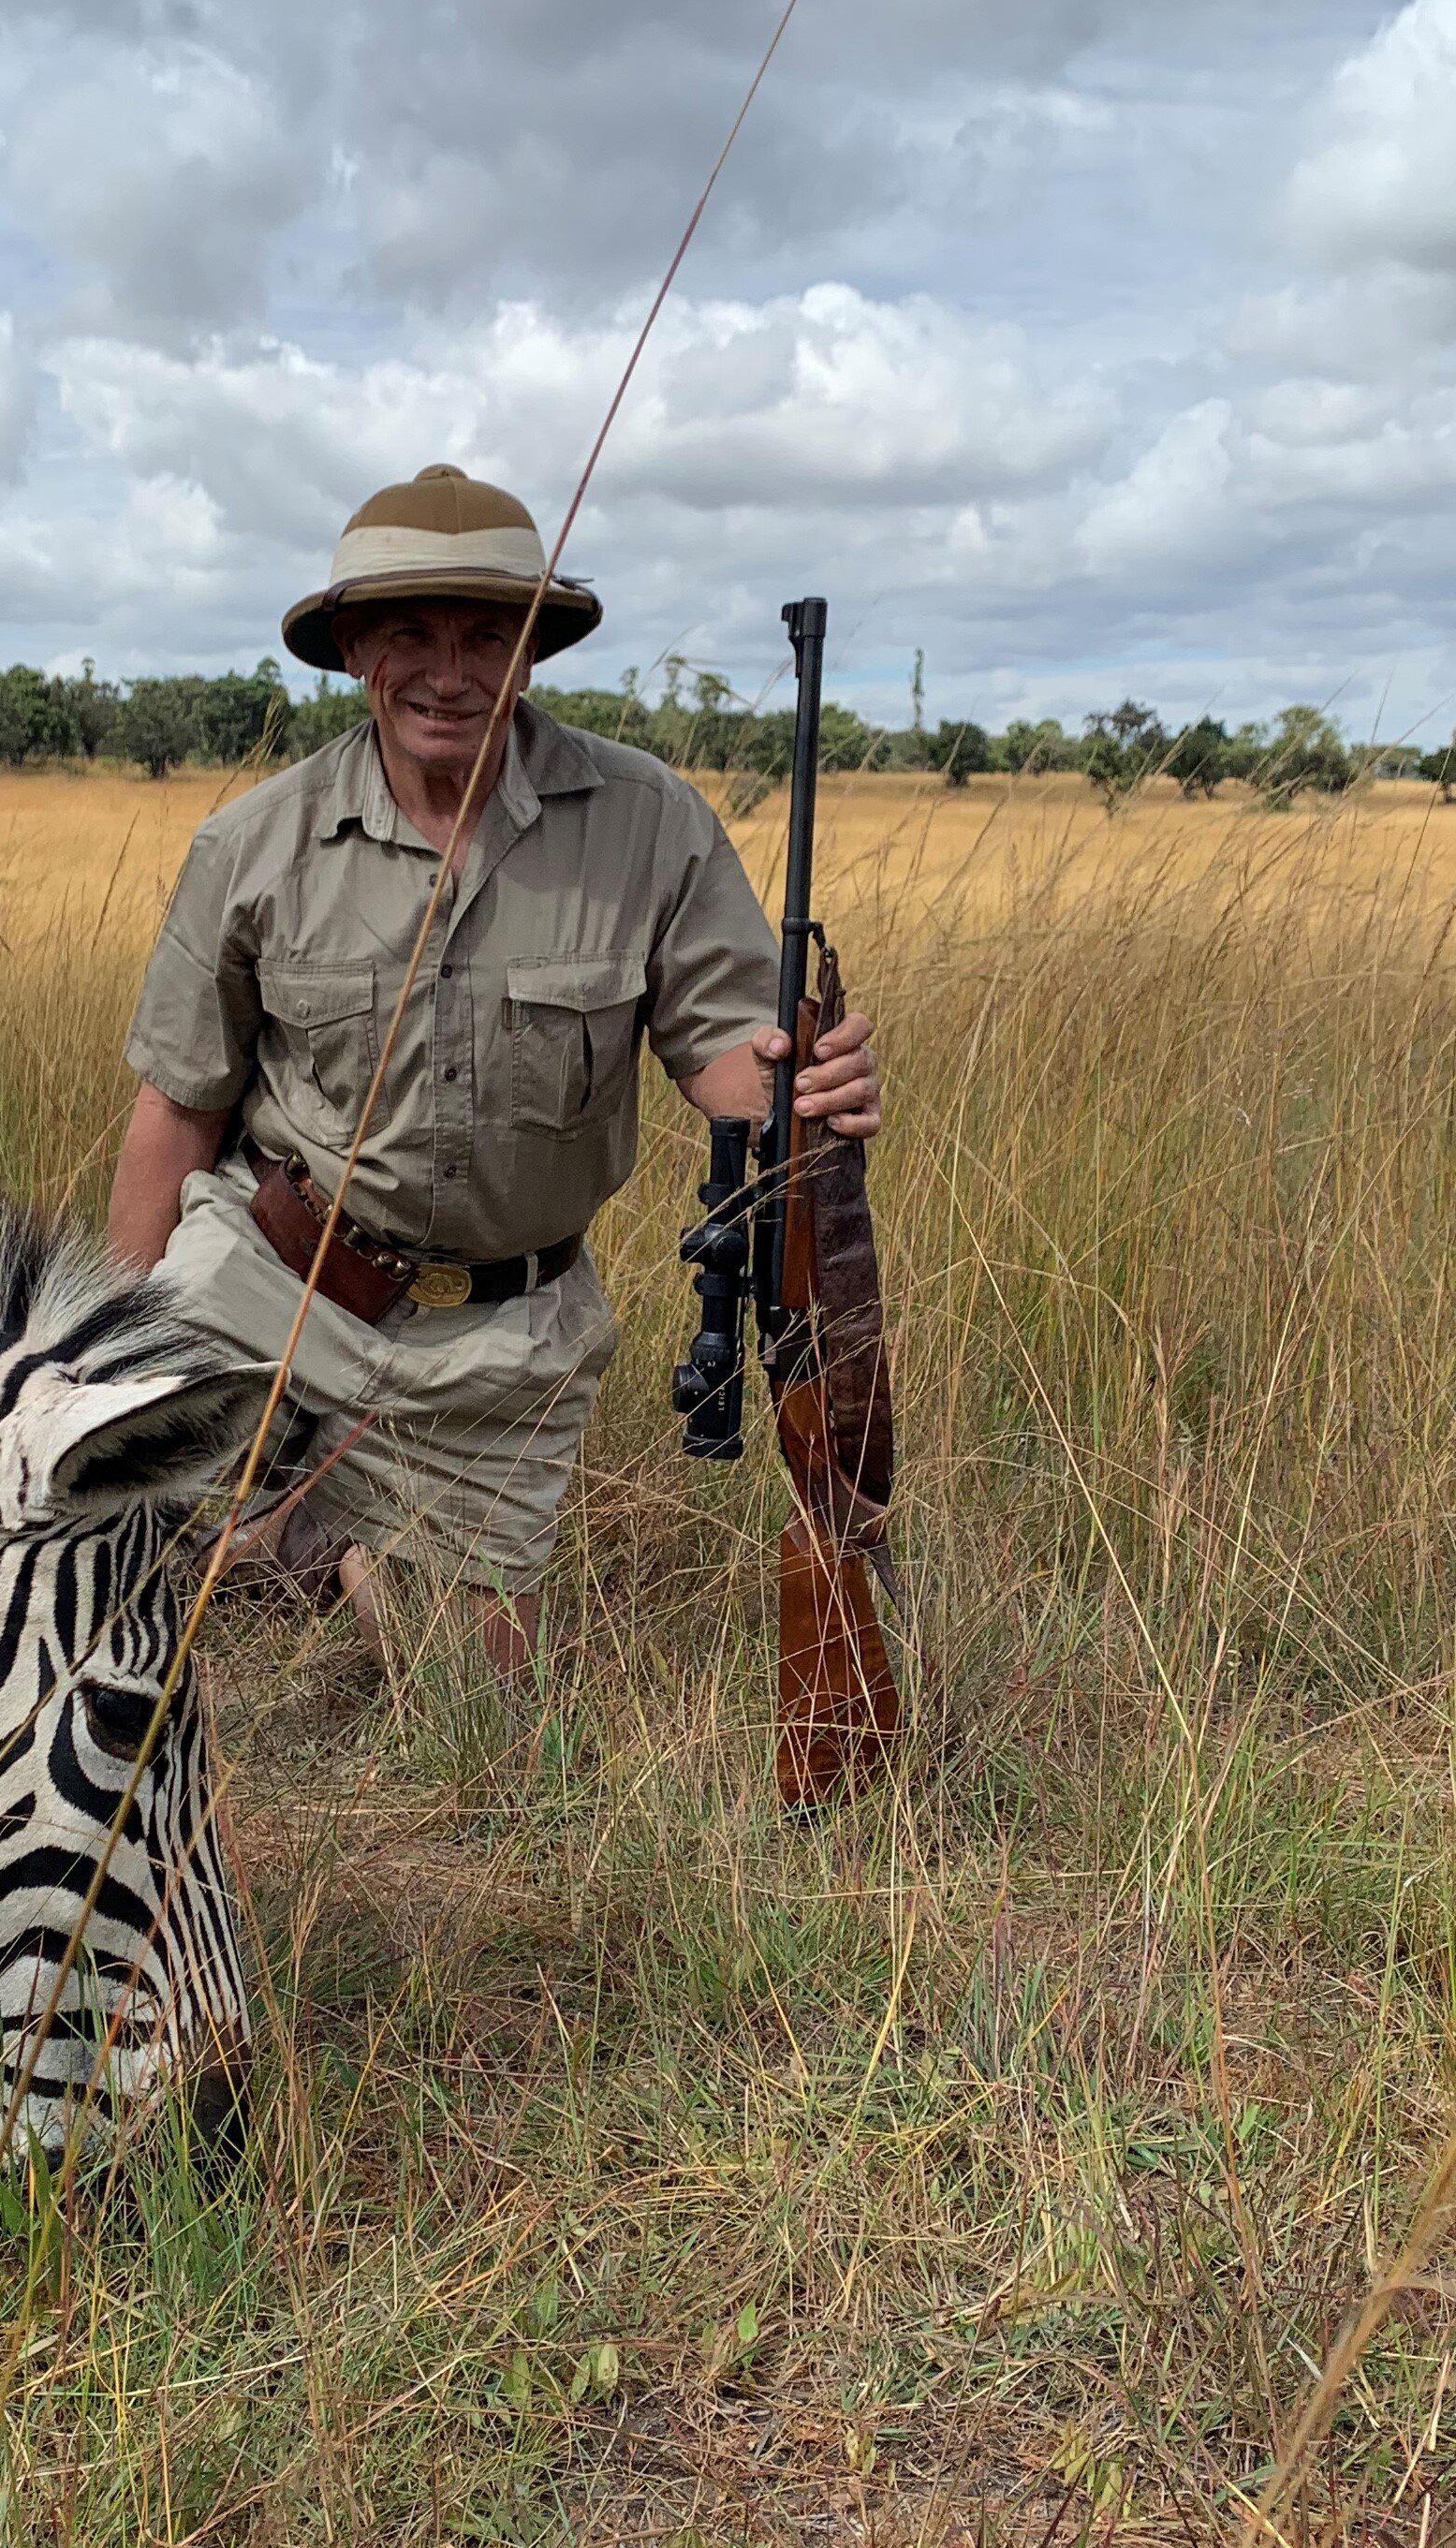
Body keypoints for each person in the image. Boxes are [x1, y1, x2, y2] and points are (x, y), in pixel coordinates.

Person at [108, 460, 882, 1682]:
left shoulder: (651, 820)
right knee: (99, 1547)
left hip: (501, 1337)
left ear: (532, 654)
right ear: (356, 647)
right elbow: (177, 1109)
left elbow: (729, 1054)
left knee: (469, 1696)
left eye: (488, 634)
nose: (449, 673)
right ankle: (267, 1518)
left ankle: (317, 1536)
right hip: (270, 1277)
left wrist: (807, 1094)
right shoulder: (252, 843)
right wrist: (107, 1358)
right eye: (410, 632)